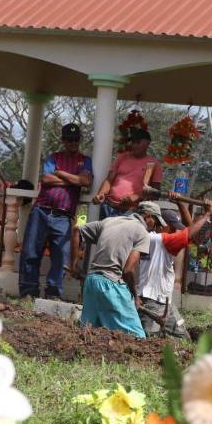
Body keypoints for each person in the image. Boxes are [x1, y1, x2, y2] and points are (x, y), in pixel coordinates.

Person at [19, 123, 93, 299]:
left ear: (80, 140)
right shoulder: (54, 157)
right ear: (63, 140)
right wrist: (73, 180)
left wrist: (60, 174)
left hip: (64, 215)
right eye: (69, 139)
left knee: (60, 256)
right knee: (31, 252)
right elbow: (45, 179)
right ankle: (28, 292)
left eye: (76, 139)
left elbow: (85, 181)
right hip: (41, 211)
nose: (73, 142)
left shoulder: (85, 160)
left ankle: (53, 293)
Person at [74, 203, 163, 338]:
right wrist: (135, 296)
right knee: (137, 337)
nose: (154, 228)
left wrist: (73, 264)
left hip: (91, 282)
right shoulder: (142, 232)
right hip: (111, 285)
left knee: (90, 334)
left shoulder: (110, 221)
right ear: (148, 216)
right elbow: (128, 270)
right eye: (155, 223)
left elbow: (76, 231)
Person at [137, 195, 212, 339]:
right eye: (173, 229)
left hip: (165, 302)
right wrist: (207, 214)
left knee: (183, 337)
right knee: (147, 339)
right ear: (163, 225)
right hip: (152, 302)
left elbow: (189, 232)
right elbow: (190, 234)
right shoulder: (160, 240)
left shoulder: (150, 238)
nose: (176, 233)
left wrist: (180, 204)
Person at [92, 130, 163, 219]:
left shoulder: (154, 163)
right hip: (108, 207)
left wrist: (137, 197)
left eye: (138, 142)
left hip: (131, 211)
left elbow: (156, 193)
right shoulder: (122, 157)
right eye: (133, 143)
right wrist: (101, 194)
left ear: (148, 143)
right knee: (104, 233)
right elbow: (109, 180)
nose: (134, 146)